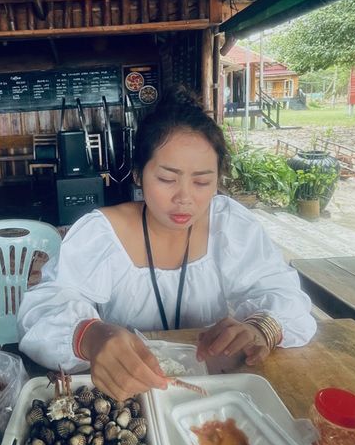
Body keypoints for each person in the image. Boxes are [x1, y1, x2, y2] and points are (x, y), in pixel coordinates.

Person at [18, 86, 316, 400]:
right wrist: (91, 336)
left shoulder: (228, 226)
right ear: (137, 175)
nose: (185, 198)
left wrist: (259, 327)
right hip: (127, 395)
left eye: (202, 181)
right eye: (166, 179)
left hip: (211, 393)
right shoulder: (102, 233)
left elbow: (283, 293)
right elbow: (42, 310)